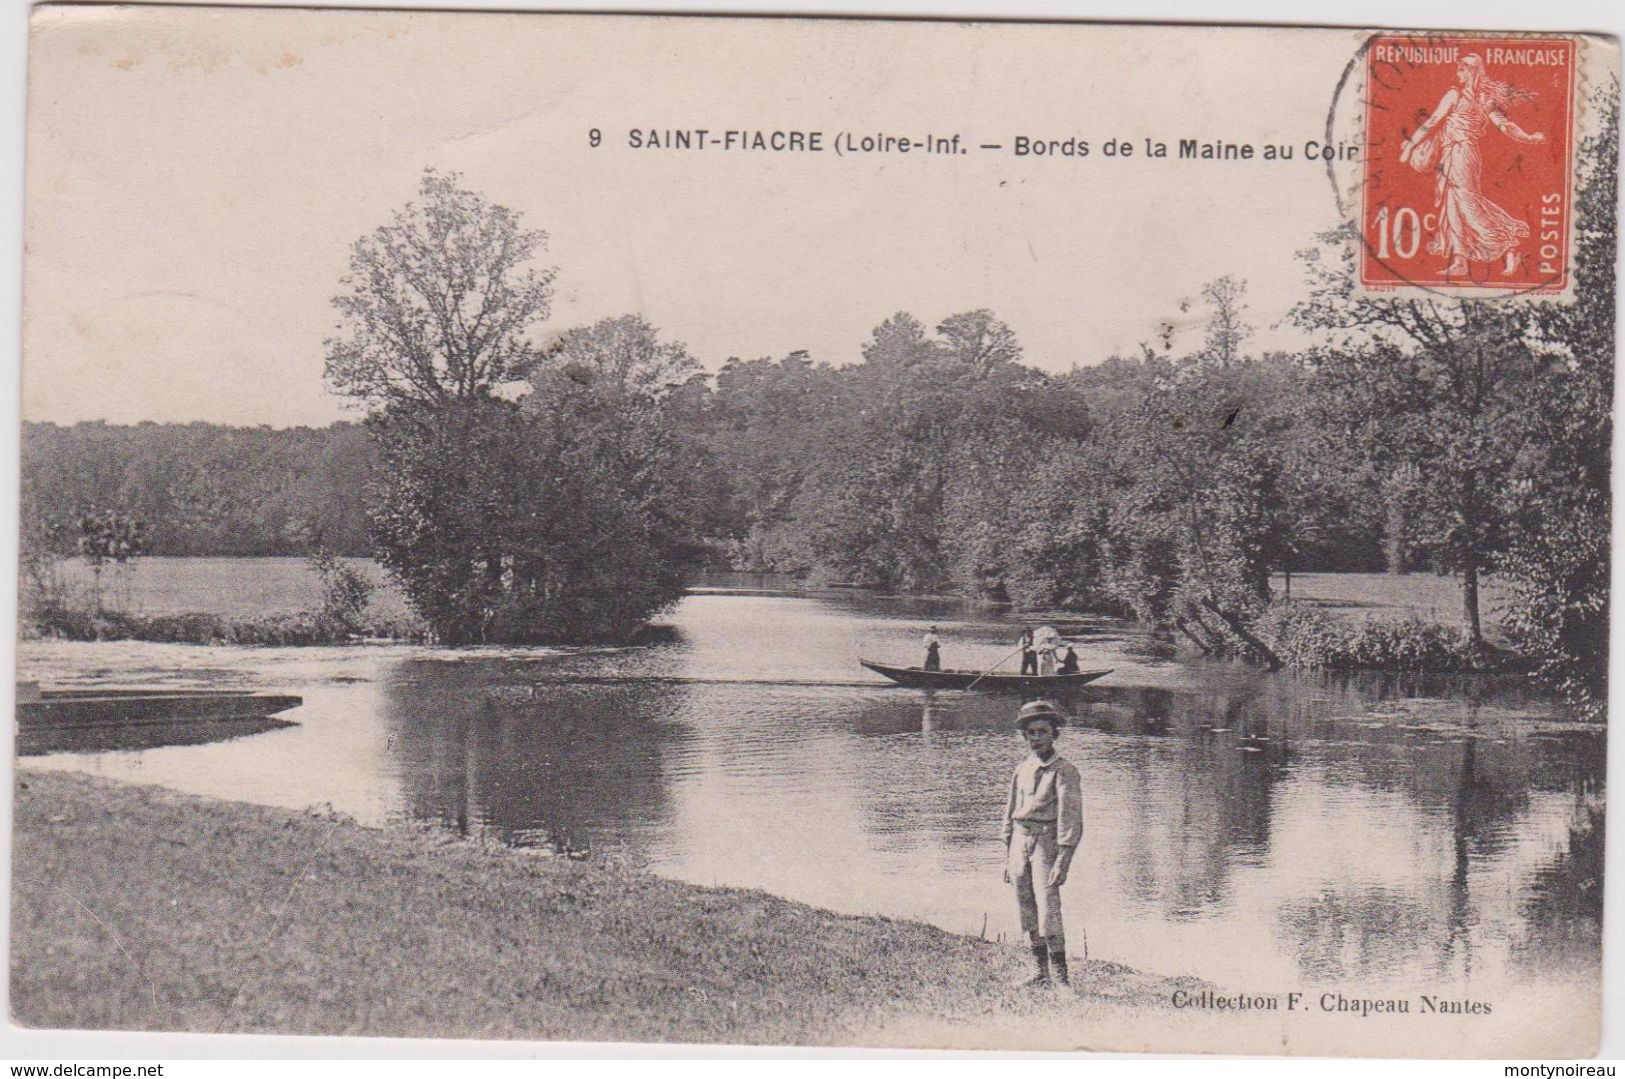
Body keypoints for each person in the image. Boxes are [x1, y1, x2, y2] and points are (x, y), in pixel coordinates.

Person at [1399, 54, 1546, 278]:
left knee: (1468, 205)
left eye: (1462, 69)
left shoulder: (1459, 96)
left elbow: (1432, 122)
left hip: (1462, 153)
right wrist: (1529, 137)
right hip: (1453, 153)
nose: (1458, 73)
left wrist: (1410, 146)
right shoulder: (1480, 98)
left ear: (1472, 71)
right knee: (1452, 206)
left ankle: (1508, 246)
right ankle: (1460, 261)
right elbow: (1506, 126)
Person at [1002, 699, 1083, 988]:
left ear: (1054, 734)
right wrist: (1007, 855)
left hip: (1046, 844)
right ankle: (1040, 972)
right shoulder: (1021, 769)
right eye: (1031, 733)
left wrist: (1064, 859)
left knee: (1049, 908)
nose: (1036, 738)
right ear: (1024, 736)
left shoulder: (1065, 771)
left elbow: (1070, 819)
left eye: (1042, 732)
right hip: (1019, 844)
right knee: (1026, 907)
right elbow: (1010, 812)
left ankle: (1062, 980)